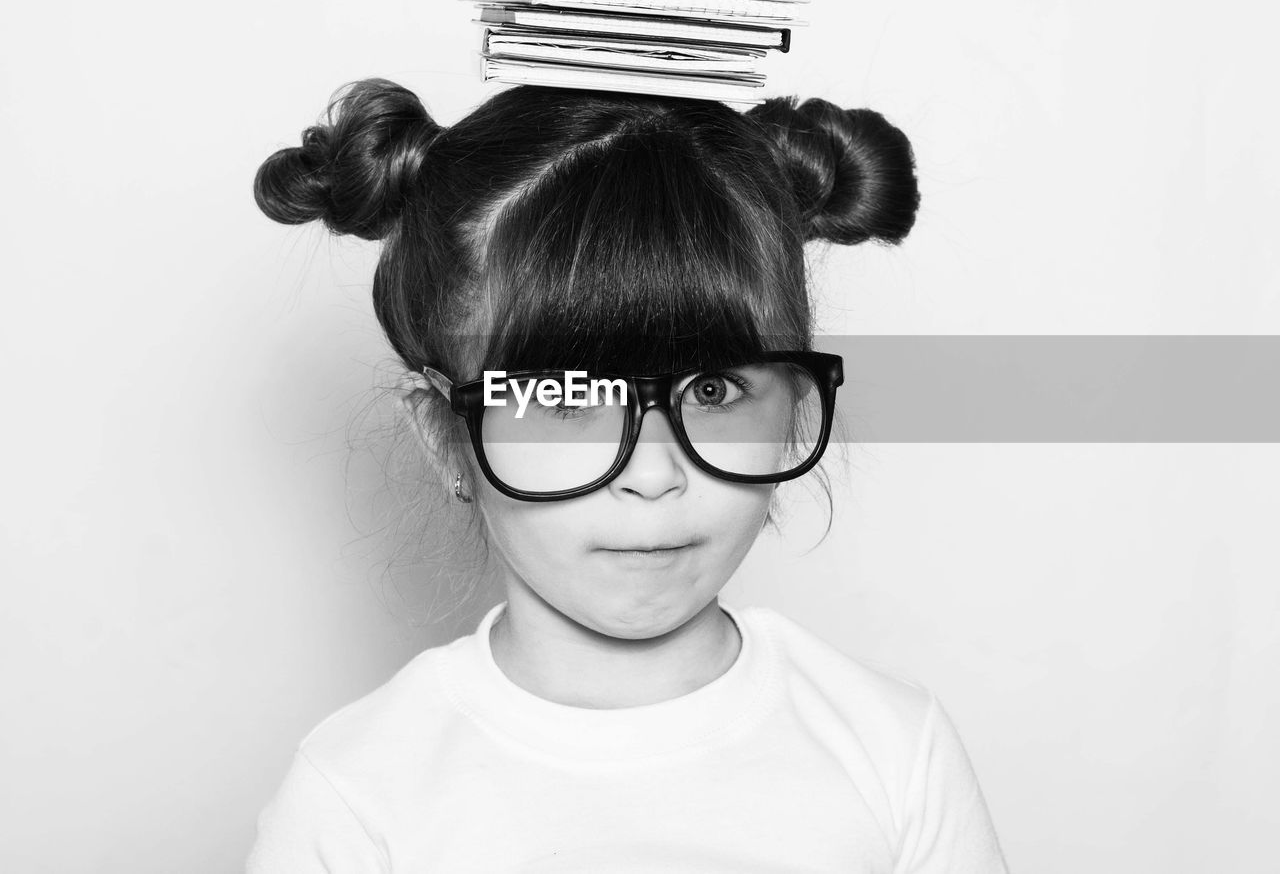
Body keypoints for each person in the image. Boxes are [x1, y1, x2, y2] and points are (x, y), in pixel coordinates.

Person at [246, 78, 1009, 872]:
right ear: (446, 434)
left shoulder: (894, 750)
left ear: (791, 407)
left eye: (712, 390)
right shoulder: (358, 797)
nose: (653, 474)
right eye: (566, 396)